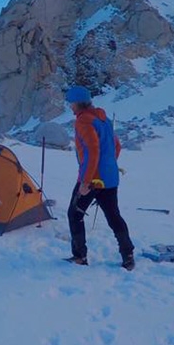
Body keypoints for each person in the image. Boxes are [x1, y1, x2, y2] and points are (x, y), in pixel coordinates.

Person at [64, 86, 135, 270]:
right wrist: (108, 166)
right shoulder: (103, 119)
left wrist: (86, 182)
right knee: (114, 216)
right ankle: (128, 256)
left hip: (93, 179)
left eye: (71, 103)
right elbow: (116, 146)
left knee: (75, 214)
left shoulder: (83, 122)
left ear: (77, 103)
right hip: (110, 178)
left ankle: (80, 257)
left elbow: (92, 151)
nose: (70, 107)